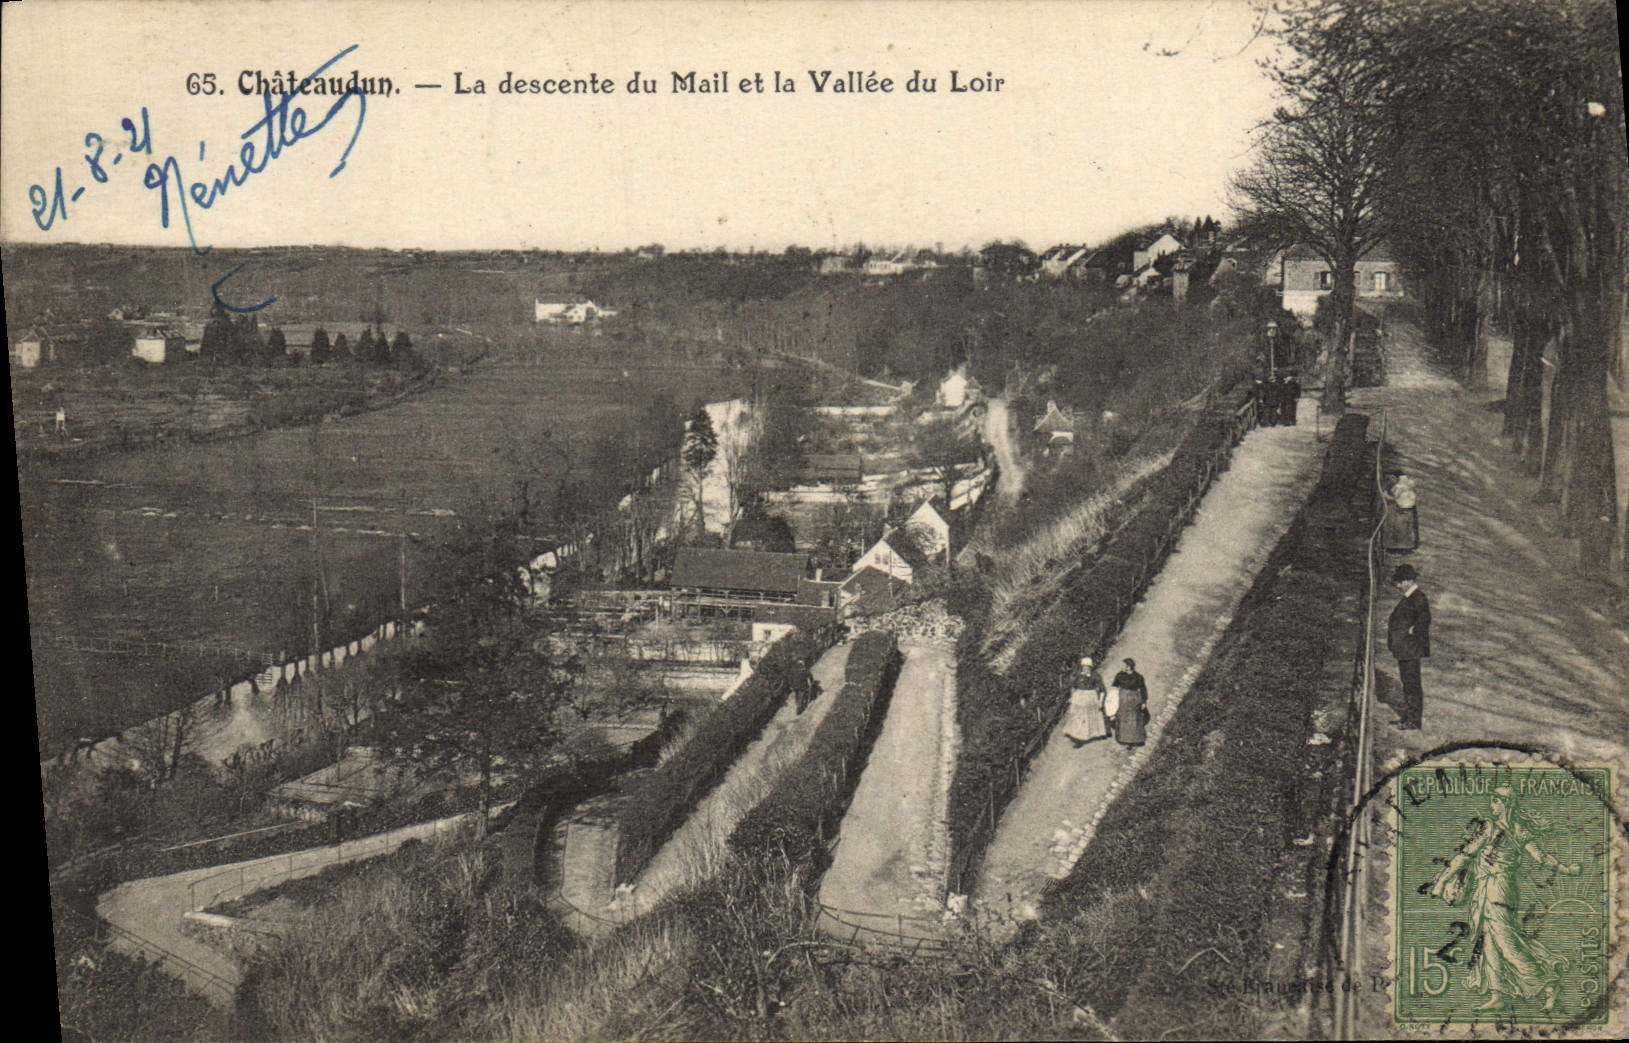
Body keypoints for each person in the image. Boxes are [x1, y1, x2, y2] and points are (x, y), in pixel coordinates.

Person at [1428, 786, 1579, 1012]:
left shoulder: (1502, 829)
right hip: (1489, 889)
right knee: (1489, 941)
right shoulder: (1506, 829)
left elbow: (1538, 856)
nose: (1492, 806)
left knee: (1506, 943)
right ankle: (1498, 993)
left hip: (1498, 889)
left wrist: (1565, 869)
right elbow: (1466, 856)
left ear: (1506, 804)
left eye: (1496, 802)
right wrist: (1441, 880)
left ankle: (1548, 983)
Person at [1387, 564, 1431, 730]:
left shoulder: (1418, 598)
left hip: (1410, 649)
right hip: (1405, 649)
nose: (1397, 586)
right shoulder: (1410, 597)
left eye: (1399, 582)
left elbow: (1424, 620)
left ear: (1408, 581)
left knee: (1412, 685)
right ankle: (1409, 717)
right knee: (1408, 684)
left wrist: (1411, 633)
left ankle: (1413, 720)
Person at [1063, 656, 1109, 747]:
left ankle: (1094, 734)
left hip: (1090, 697)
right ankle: (1078, 739)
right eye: (1084, 666)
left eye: (1088, 667)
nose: (1086, 668)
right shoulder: (1078, 675)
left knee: (1090, 717)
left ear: (1091, 667)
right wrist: (1072, 698)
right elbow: (1073, 687)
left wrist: (1100, 701)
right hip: (1079, 697)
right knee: (1079, 718)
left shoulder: (1095, 676)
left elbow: (1102, 690)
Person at [1109, 657, 1149, 748]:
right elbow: (1114, 687)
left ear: (1129, 666)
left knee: (1134, 720)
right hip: (1122, 700)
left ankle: (1134, 740)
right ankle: (1124, 738)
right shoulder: (1119, 675)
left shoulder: (1138, 677)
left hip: (1134, 700)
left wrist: (1143, 702)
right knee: (1123, 719)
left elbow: (1143, 689)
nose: (1122, 667)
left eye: (1124, 665)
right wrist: (1111, 700)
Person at [1383, 472, 1419, 552]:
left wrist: (1388, 497)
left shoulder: (1401, 487)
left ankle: (1400, 546)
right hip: (1403, 511)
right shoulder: (1404, 487)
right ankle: (1400, 546)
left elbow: (1399, 499)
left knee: (1400, 528)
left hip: (1401, 511)